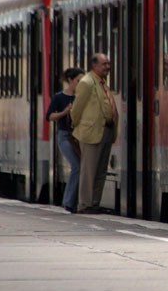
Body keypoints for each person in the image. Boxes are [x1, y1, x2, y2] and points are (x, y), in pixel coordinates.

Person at [71, 54, 117, 214]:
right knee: (89, 171)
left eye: (109, 64)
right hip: (90, 132)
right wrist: (76, 127)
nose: (107, 67)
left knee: (100, 170)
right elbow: (76, 109)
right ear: (94, 65)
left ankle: (94, 203)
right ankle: (85, 204)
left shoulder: (101, 82)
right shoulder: (87, 82)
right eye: (104, 64)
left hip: (104, 130)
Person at [46, 67, 85, 213]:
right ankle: (68, 201)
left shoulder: (81, 97)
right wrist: (64, 112)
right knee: (76, 166)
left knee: (83, 167)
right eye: (78, 81)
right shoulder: (59, 97)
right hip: (65, 136)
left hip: (80, 136)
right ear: (70, 80)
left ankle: (77, 201)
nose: (80, 84)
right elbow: (49, 116)